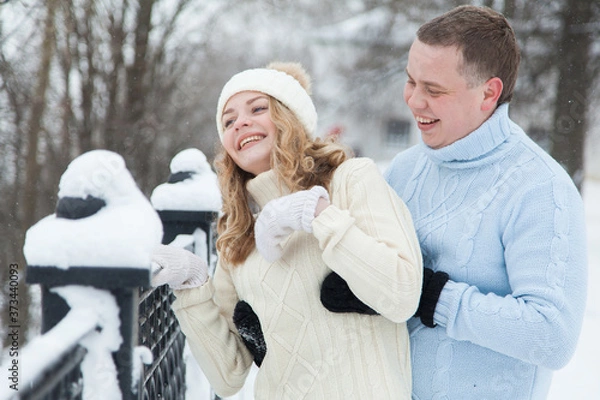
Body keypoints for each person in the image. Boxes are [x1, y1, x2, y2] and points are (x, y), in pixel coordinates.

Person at [151, 61, 423, 399]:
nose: (241, 123)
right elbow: (229, 375)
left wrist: (316, 214)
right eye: (229, 121)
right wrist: (192, 286)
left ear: (289, 116)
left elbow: (402, 295)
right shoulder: (237, 239)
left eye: (258, 108)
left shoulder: (351, 181)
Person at [382, 5, 588, 399]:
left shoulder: (539, 189)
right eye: (411, 82)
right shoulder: (402, 171)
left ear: (488, 93)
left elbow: (551, 334)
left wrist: (434, 298)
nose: (414, 101)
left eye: (434, 89)